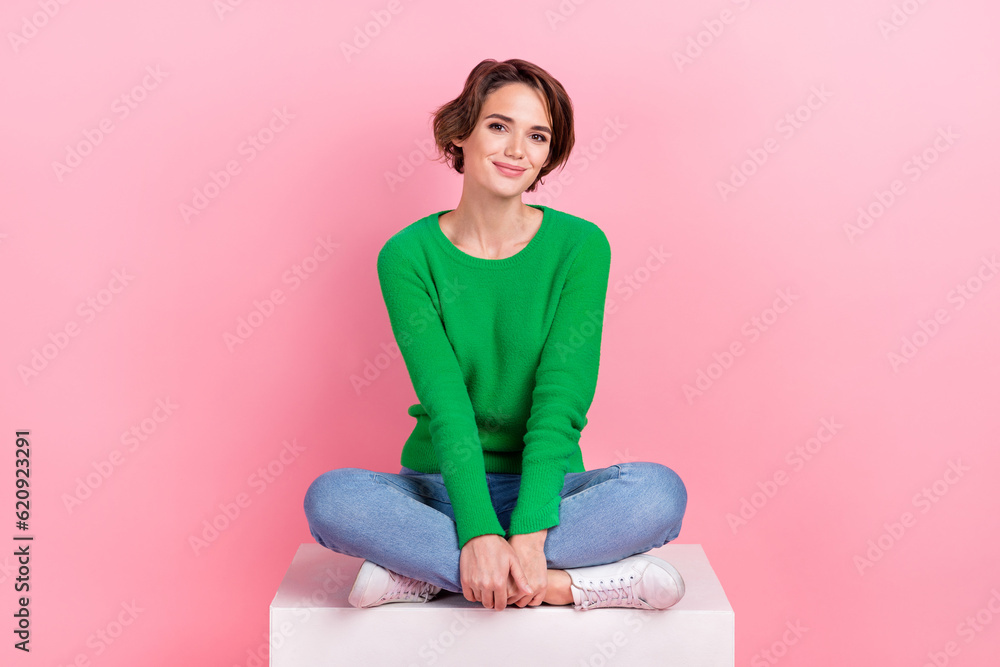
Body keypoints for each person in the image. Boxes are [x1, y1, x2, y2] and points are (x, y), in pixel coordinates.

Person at [303, 58, 688, 612]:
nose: (516, 150)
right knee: (333, 499)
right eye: (499, 126)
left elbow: (561, 401)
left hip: (549, 489)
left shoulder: (580, 247)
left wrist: (528, 531)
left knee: (659, 493)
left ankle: (430, 575)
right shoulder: (408, 256)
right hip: (441, 491)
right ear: (462, 132)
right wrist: (478, 531)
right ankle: (566, 585)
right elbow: (446, 404)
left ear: (547, 156)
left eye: (537, 136)